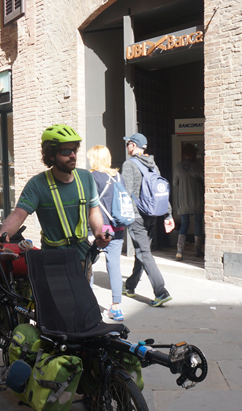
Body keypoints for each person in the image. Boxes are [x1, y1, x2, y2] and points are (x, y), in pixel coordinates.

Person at [0, 124, 108, 268]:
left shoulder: (86, 178)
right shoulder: (37, 184)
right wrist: (2, 234)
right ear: (51, 155)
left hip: (82, 258)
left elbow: (93, 210)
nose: (73, 155)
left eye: (74, 150)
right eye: (66, 151)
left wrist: (98, 233)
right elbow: (18, 215)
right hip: (52, 261)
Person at [121, 133, 175, 307]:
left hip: (136, 215)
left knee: (144, 253)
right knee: (142, 251)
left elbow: (126, 192)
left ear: (133, 145)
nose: (127, 147)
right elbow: (161, 192)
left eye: (128, 143)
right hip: (151, 214)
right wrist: (168, 215)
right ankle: (130, 286)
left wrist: (123, 216)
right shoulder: (153, 165)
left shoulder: (129, 164)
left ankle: (161, 291)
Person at [87, 145, 127, 321]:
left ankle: (88, 305)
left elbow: (89, 205)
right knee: (114, 266)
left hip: (98, 228)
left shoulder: (91, 177)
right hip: (117, 227)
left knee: (88, 264)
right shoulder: (118, 176)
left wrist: (89, 230)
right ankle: (116, 308)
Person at [173, 143, 205, 260]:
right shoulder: (198, 166)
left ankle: (179, 251)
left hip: (183, 202)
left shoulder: (178, 167)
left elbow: (175, 183)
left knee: (184, 224)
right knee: (198, 224)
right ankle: (198, 250)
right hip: (197, 200)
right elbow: (205, 180)